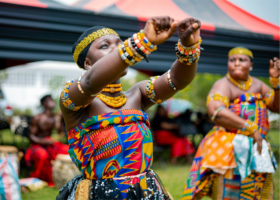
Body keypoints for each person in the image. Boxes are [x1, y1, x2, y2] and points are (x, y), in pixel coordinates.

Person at [57, 16, 202, 200]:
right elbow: (89, 82)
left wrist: (188, 47)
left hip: (146, 192)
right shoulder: (74, 98)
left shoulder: (138, 94)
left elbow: (176, 80)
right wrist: (141, 41)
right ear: (87, 63)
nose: (116, 48)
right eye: (104, 46)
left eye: (119, 43)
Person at [182, 47, 280, 200]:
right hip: (227, 146)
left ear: (251, 66)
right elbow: (216, 110)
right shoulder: (224, 84)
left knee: (257, 191)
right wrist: (250, 127)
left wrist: (276, 83)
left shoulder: (259, 85)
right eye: (232, 60)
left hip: (256, 145)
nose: (237, 63)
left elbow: (276, 107)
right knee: (229, 191)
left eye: (242, 60)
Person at [25, 95, 69, 187]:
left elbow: (60, 132)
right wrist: (46, 142)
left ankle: (65, 176)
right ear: (44, 104)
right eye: (50, 100)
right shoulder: (37, 118)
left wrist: (59, 118)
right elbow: (31, 137)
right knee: (42, 155)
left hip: (49, 144)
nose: (53, 102)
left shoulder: (54, 117)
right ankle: (40, 178)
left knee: (67, 149)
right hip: (37, 145)